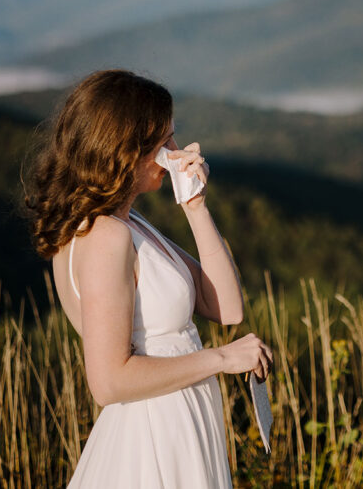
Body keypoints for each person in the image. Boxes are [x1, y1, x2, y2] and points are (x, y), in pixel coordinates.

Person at [23, 69, 272, 488]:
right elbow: (108, 381)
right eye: (165, 142)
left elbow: (226, 308)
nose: (176, 151)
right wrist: (223, 359)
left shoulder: (129, 224)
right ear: (126, 150)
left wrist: (195, 207)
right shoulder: (105, 236)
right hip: (152, 437)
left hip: (179, 421)